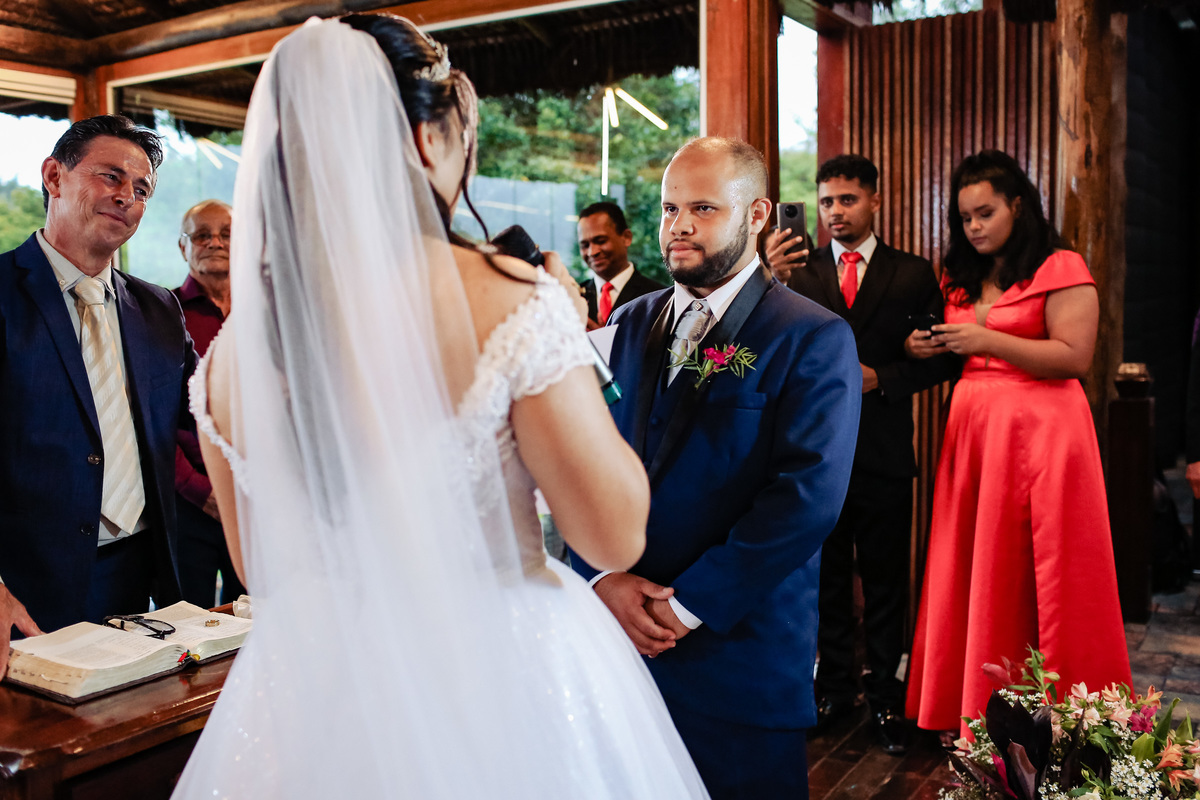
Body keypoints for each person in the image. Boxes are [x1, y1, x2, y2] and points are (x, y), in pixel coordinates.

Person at [172, 16, 708, 799]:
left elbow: (261, 568)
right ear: (426, 140)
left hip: (322, 694)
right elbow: (614, 534)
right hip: (499, 672)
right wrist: (561, 333)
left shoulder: (232, 356)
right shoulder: (513, 300)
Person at [572, 137, 862, 799]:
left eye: (702, 208)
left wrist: (687, 606)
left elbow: (806, 498)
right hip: (621, 653)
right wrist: (601, 578)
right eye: (670, 208)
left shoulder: (812, 336)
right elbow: (582, 457)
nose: (678, 225)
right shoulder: (629, 322)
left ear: (757, 214)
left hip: (738, 658)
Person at [904, 149, 1131, 738]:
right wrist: (921, 347)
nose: (974, 228)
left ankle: (1069, 713)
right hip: (974, 432)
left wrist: (986, 339)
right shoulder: (960, 272)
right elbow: (954, 348)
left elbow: (1074, 358)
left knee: (1049, 567)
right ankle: (973, 705)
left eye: (986, 214)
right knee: (979, 566)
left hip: (1044, 431)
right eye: (965, 218)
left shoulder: (1061, 266)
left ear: (1019, 206)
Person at [765, 154, 961, 754]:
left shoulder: (912, 272)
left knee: (885, 581)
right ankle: (833, 691)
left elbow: (945, 359)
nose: (834, 212)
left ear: (875, 199)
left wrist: (886, 377)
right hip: (814, 453)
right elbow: (764, 342)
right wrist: (764, 276)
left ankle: (886, 698)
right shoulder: (796, 271)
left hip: (883, 452)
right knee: (824, 580)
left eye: (847, 199)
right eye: (826, 201)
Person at [0, 115, 195, 672]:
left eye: (142, 189)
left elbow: (208, 415)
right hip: (21, 586)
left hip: (140, 579)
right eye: (111, 176)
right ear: (54, 177)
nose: (126, 196)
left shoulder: (159, 307)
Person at [172, 199, 245, 608]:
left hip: (257, 502)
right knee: (188, 623)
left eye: (227, 234)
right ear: (183, 246)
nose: (215, 242)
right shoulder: (163, 314)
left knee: (256, 617)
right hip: (189, 504)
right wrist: (198, 489)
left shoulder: (267, 313)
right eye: (202, 234)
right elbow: (150, 417)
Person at [578, 201, 665, 326]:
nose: (592, 252)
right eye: (585, 245)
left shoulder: (658, 297)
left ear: (626, 237)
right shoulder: (572, 296)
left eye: (601, 241)